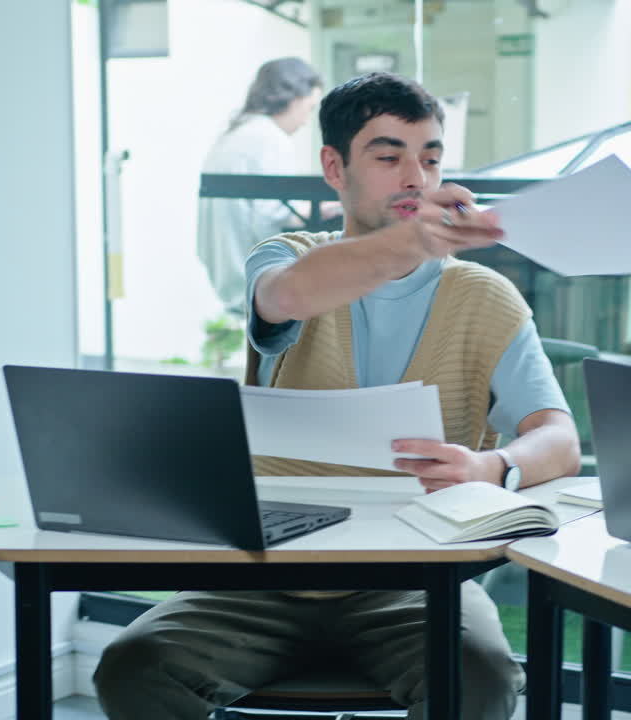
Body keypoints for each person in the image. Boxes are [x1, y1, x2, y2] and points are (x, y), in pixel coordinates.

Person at [93, 72, 581, 720]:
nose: (416, 176)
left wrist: (491, 466)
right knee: (133, 669)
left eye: (430, 158)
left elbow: (559, 439)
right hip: (265, 580)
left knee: (482, 676)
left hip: (415, 585)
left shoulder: (485, 298)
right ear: (334, 166)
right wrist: (414, 239)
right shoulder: (286, 258)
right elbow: (287, 297)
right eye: (389, 156)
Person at [197, 57, 323, 320]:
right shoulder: (270, 139)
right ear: (293, 97)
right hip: (259, 280)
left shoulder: (233, 134)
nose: (305, 121)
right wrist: (320, 208)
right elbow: (270, 218)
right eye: (309, 108)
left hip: (229, 280)